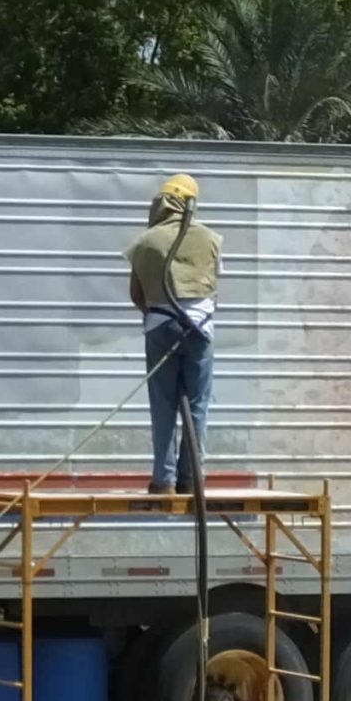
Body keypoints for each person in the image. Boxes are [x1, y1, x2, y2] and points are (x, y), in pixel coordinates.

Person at [125, 174, 222, 495]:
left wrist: (158, 316)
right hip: (199, 327)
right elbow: (214, 289)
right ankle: (193, 478)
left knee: (163, 404)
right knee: (198, 403)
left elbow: (136, 294)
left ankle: (163, 481)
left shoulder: (144, 242)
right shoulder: (210, 239)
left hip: (160, 327)